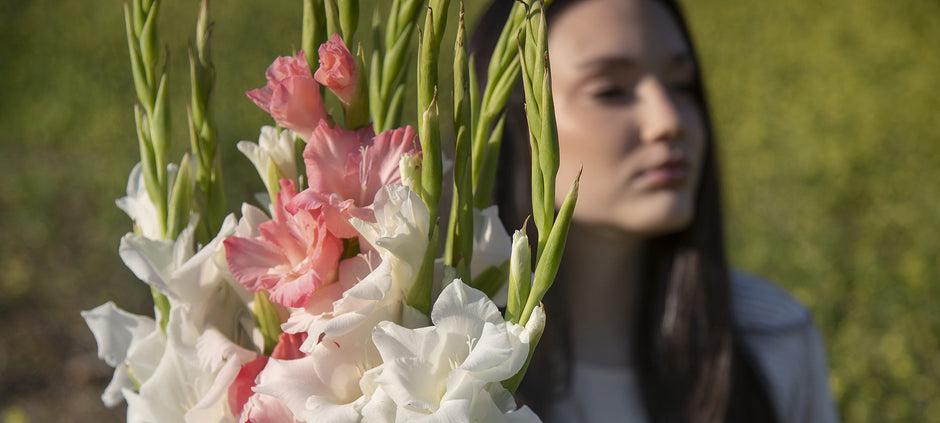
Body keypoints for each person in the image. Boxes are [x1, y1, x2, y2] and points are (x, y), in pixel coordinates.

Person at [472, 0, 840, 422]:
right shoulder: (438, 346)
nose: (669, 120)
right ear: (509, 121)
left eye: (682, 86)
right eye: (610, 91)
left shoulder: (772, 337)